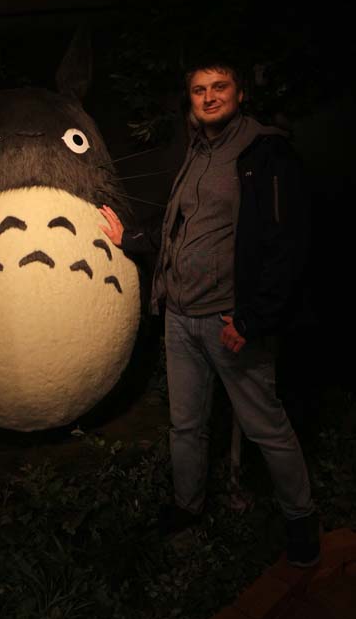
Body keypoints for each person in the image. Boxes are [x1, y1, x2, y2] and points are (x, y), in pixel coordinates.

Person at [99, 58, 320, 568]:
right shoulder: (197, 153)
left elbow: (288, 244)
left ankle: (301, 519)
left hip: (229, 323)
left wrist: (252, 320)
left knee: (267, 428)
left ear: (240, 94)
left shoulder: (264, 152)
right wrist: (130, 238)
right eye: (199, 90)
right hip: (180, 317)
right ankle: (187, 507)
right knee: (186, 425)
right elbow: (182, 229)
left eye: (220, 87)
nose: (209, 96)